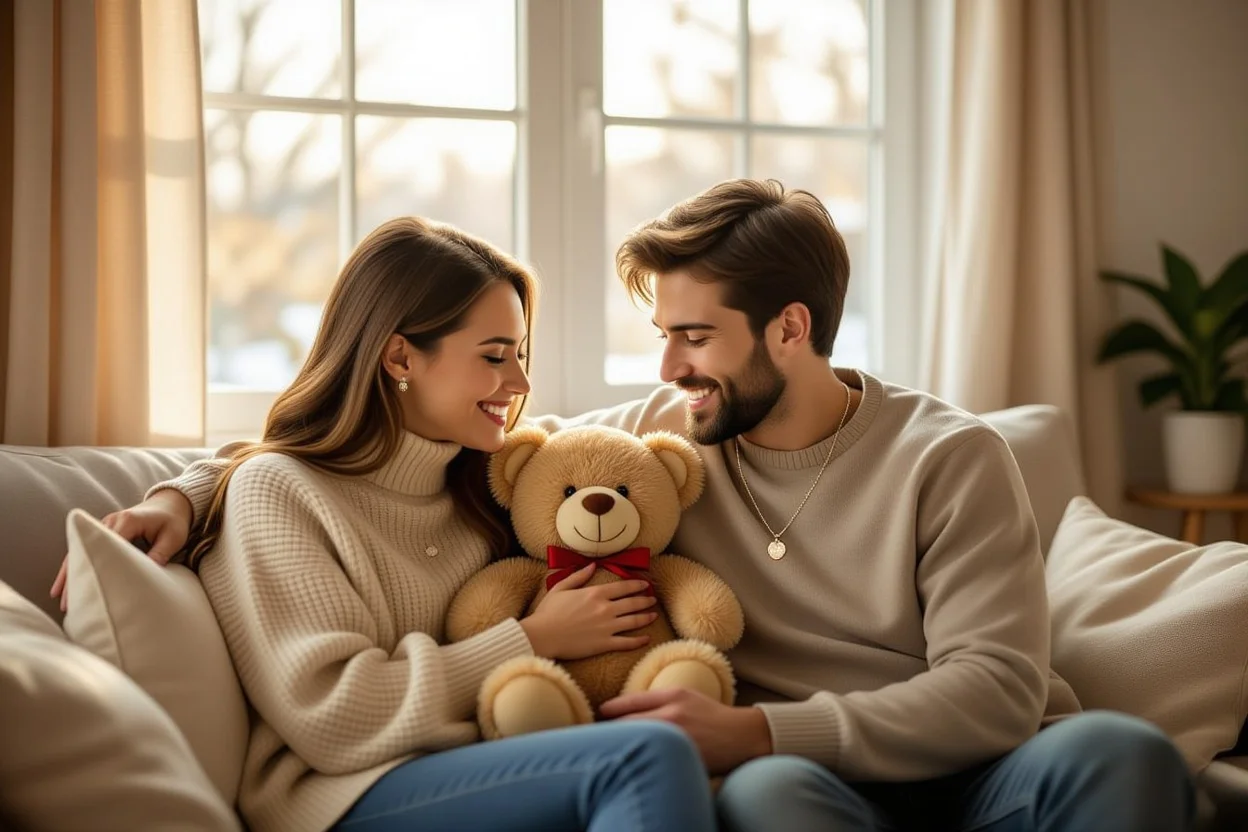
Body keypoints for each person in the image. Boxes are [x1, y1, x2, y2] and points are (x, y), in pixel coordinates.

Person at [58, 183, 1195, 832]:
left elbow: (995, 689)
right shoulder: (662, 424)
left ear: (788, 330)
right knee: (769, 796)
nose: (669, 362)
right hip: (794, 780)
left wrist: (756, 722)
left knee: (1122, 752)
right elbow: (315, 453)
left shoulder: (953, 459)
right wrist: (183, 487)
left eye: (693, 336)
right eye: (664, 336)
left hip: (953, 762)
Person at [53, 217, 718, 832]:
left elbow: (618, 440)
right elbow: (333, 717)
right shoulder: (279, 494)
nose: (518, 382)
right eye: (493, 356)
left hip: (481, 765)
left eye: (520, 354)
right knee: (646, 756)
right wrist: (534, 638)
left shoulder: (482, 476)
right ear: (400, 358)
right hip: (341, 794)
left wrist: (183, 491)